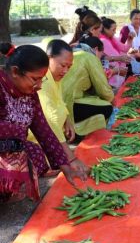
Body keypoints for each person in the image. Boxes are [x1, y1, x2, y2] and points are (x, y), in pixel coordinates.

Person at [0, 43, 85, 202]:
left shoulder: (30, 94)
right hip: (5, 145)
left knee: (35, 154)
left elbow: (43, 130)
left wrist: (65, 166)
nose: (39, 86)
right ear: (15, 72)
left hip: (10, 144)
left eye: (42, 79)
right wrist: (15, 131)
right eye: (35, 79)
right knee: (12, 162)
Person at [28, 40, 89, 176]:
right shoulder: (43, 81)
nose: (66, 70)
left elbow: (59, 101)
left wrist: (67, 120)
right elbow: (50, 121)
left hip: (49, 132)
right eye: (63, 65)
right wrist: (70, 157)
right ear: (49, 58)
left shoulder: (55, 77)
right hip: (34, 135)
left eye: (69, 66)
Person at [62, 36, 114, 138]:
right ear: (95, 49)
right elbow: (104, 91)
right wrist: (112, 100)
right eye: (101, 55)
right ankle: (78, 132)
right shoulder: (90, 57)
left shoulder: (72, 54)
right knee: (107, 107)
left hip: (60, 104)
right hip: (71, 104)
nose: (100, 58)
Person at [99, 17, 132, 89]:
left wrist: (130, 39)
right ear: (105, 29)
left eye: (115, 29)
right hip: (112, 76)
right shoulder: (103, 41)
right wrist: (121, 59)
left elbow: (124, 49)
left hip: (117, 72)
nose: (115, 32)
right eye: (113, 30)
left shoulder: (112, 38)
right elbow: (111, 59)